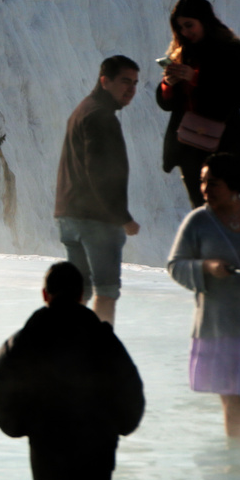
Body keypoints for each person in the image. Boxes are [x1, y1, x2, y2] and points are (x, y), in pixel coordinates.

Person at [0, 261, 145, 480]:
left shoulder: (25, 339)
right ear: (82, 295)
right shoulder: (103, 338)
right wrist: (121, 426)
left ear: (45, 294)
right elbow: (131, 387)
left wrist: (20, 426)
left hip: (48, 444)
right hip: (98, 445)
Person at [165, 152, 240, 439]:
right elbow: (174, 265)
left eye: (213, 183)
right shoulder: (197, 221)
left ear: (233, 184)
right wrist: (206, 268)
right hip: (220, 327)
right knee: (234, 409)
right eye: (202, 182)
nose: (204, 190)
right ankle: (236, 476)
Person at [54, 56, 142, 325]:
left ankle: (72, 348)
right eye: (125, 81)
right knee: (106, 291)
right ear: (105, 81)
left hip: (68, 215)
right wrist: (122, 216)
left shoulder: (82, 110)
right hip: (97, 219)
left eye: (135, 83)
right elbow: (99, 172)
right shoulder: (101, 117)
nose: (131, 89)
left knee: (79, 291)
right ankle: (100, 353)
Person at [156, 0, 240, 208]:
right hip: (189, 146)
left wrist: (196, 78)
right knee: (201, 211)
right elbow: (166, 104)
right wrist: (168, 84)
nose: (185, 32)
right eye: (180, 27)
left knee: (225, 209)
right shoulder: (181, 52)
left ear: (204, 21)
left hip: (223, 144)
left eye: (189, 25)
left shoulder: (231, 49)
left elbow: (237, 96)